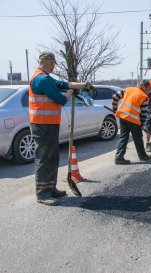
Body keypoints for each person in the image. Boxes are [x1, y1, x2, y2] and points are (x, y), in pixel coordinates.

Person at [29, 50, 95, 206]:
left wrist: (82, 85)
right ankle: (43, 193)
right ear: (46, 61)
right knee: (45, 158)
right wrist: (71, 92)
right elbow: (60, 99)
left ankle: (50, 188)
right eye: (52, 63)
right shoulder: (41, 79)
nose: (53, 66)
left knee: (52, 157)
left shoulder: (46, 78)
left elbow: (60, 84)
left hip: (48, 124)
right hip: (42, 124)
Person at [115, 80, 151, 164]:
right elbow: (143, 114)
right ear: (143, 87)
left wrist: (115, 110)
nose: (148, 91)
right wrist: (142, 125)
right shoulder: (143, 96)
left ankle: (119, 157)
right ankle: (142, 156)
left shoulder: (128, 89)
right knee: (138, 138)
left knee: (123, 137)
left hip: (122, 117)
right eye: (148, 88)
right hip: (133, 119)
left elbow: (115, 96)